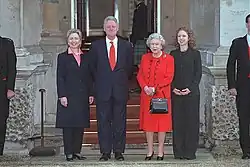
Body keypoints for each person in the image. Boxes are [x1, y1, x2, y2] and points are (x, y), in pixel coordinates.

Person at [88, 16, 133, 161]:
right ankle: (105, 151)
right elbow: (92, 68)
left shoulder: (126, 45)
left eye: (113, 27)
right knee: (103, 122)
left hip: (120, 89)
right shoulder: (96, 46)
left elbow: (130, 68)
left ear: (117, 28)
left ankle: (119, 151)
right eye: (108, 27)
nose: (111, 29)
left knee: (120, 121)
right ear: (104, 29)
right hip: (103, 90)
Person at [56, 29, 94, 161]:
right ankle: (69, 152)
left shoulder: (86, 56)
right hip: (68, 95)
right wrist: (62, 96)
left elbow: (90, 77)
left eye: (76, 39)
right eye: (71, 39)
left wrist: (91, 93)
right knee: (68, 125)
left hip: (82, 95)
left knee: (79, 124)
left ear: (80, 41)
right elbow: (60, 77)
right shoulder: (62, 57)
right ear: (67, 41)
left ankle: (77, 151)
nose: (73, 41)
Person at [137, 33, 174, 160]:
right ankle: (149, 151)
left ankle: (160, 151)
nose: (154, 46)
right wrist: (145, 87)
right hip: (147, 95)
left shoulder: (169, 59)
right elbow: (140, 75)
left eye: (157, 44)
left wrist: (155, 88)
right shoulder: (144, 58)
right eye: (152, 44)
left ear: (161, 45)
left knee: (161, 125)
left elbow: (169, 77)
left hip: (162, 95)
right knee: (149, 125)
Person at [170, 27, 202, 160]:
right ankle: (179, 151)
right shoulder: (173, 54)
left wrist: (191, 88)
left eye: (183, 36)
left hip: (191, 94)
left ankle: (190, 151)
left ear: (189, 38)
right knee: (178, 122)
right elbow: (169, 73)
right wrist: (173, 88)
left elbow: (198, 73)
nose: (181, 38)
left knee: (191, 122)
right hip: (176, 93)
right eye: (179, 36)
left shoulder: (195, 54)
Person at [226, 14, 250, 160]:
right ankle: (246, 150)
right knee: (244, 118)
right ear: (246, 24)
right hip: (243, 87)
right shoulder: (237, 43)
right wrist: (232, 86)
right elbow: (230, 65)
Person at [0, 36, 17, 155]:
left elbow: (12, 68)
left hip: (2, 87)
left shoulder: (6, 43)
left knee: (1, 119)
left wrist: (10, 88)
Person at [130, 0, 149, 66]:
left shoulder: (140, 10)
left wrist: (133, 39)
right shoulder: (145, 8)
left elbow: (136, 26)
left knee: (140, 63)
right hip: (142, 38)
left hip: (139, 38)